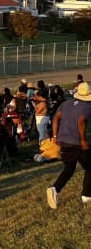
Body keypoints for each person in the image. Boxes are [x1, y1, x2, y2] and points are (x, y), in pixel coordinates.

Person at [46, 81, 91, 209]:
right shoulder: (88, 106)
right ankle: (86, 195)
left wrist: (55, 136)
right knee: (90, 168)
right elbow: (81, 122)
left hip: (64, 141)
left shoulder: (66, 104)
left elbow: (56, 118)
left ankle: (55, 188)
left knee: (69, 169)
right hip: (77, 143)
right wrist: (83, 140)